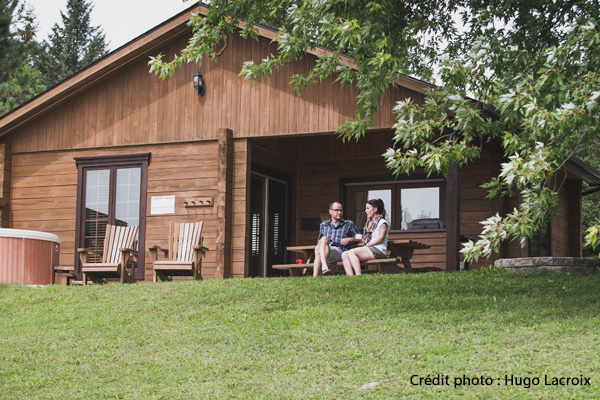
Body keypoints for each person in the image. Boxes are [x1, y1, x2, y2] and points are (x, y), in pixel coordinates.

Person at [342, 199, 389, 276]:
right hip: (370, 248)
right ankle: (350, 276)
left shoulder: (382, 222)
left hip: (378, 250)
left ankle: (358, 275)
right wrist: (358, 238)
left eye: (367, 208)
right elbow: (366, 238)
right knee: (344, 254)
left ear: (375, 209)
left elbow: (381, 239)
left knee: (351, 252)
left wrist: (369, 244)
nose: (365, 211)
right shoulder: (369, 223)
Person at [313, 201, 360, 276]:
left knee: (322, 242)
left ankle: (323, 268)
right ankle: (316, 276)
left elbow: (359, 237)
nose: (339, 212)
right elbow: (319, 240)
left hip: (340, 251)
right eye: (337, 210)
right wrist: (323, 243)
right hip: (325, 251)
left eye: (341, 210)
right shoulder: (324, 224)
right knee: (320, 245)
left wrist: (350, 239)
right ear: (330, 211)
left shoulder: (348, 223)